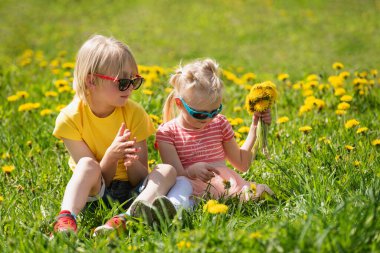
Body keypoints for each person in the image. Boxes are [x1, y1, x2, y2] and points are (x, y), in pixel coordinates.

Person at [52, 35, 177, 236]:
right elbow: (96, 179)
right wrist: (111, 156)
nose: (129, 88)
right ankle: (66, 219)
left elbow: (140, 178)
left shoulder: (134, 114)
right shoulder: (70, 119)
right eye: (122, 82)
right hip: (95, 194)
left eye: (134, 81)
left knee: (167, 170)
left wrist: (132, 164)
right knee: (86, 165)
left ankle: (127, 217)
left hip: (133, 193)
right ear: (91, 81)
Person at [156, 58, 274, 204]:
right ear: (179, 104)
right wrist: (191, 171)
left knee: (265, 191)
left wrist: (255, 127)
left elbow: (242, 164)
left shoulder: (219, 124)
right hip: (188, 187)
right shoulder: (168, 133)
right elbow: (174, 175)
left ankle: (231, 199)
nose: (208, 119)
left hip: (225, 186)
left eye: (214, 111)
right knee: (183, 197)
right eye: (200, 114)